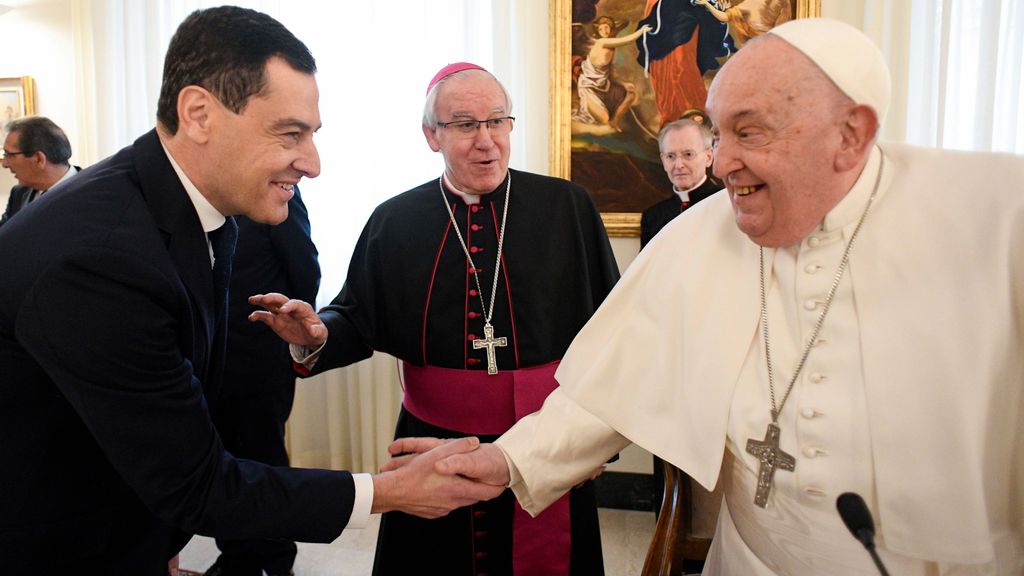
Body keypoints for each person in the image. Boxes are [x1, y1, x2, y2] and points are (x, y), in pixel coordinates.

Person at [421, 18, 1024, 575]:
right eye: (718, 132)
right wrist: (509, 459)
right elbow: (612, 386)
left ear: (851, 133)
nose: (722, 161)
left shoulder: (999, 219)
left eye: (749, 131)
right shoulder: (701, 233)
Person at [0, 8, 500, 575]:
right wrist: (385, 493)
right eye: (290, 133)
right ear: (199, 114)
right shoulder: (101, 258)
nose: (312, 163)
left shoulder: (196, 206)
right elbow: (195, 481)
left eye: (311, 134)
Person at [249, 63, 620, 576]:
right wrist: (315, 336)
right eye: (465, 125)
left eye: (497, 121)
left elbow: (611, 335)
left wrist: (593, 439)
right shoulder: (396, 220)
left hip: (545, 438)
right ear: (432, 135)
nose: (485, 140)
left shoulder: (567, 208)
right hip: (433, 441)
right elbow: (358, 317)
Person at [205, 189, 320, 576]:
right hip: (205, 359)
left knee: (263, 457)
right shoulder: (192, 196)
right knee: (219, 461)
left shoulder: (273, 189)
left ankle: (276, 559)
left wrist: (292, 334)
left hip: (260, 357)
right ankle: (236, 556)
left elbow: (305, 267)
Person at [640, 118, 719, 248]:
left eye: (688, 154)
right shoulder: (653, 217)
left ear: (709, 157)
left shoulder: (729, 205)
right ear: (663, 161)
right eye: (670, 156)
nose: (679, 165)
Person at [573, 16, 652, 133]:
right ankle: (606, 123)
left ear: (611, 29)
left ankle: (614, 123)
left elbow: (611, 73)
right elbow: (627, 40)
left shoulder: (611, 48)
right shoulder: (602, 42)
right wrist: (641, 31)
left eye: (607, 28)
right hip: (589, 87)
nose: (604, 31)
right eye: (601, 29)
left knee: (631, 95)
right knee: (603, 119)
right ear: (598, 31)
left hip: (604, 86)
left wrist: (623, 84)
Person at [0, 116, 80, 227]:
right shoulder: (19, 193)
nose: (4, 164)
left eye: (9, 155)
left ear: (38, 159)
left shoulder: (92, 192)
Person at [695, 0, 793, 47]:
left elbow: (724, 17)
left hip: (772, 44)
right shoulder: (746, 6)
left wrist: (706, 4)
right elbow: (724, 17)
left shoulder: (747, 5)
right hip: (766, 45)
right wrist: (707, 4)